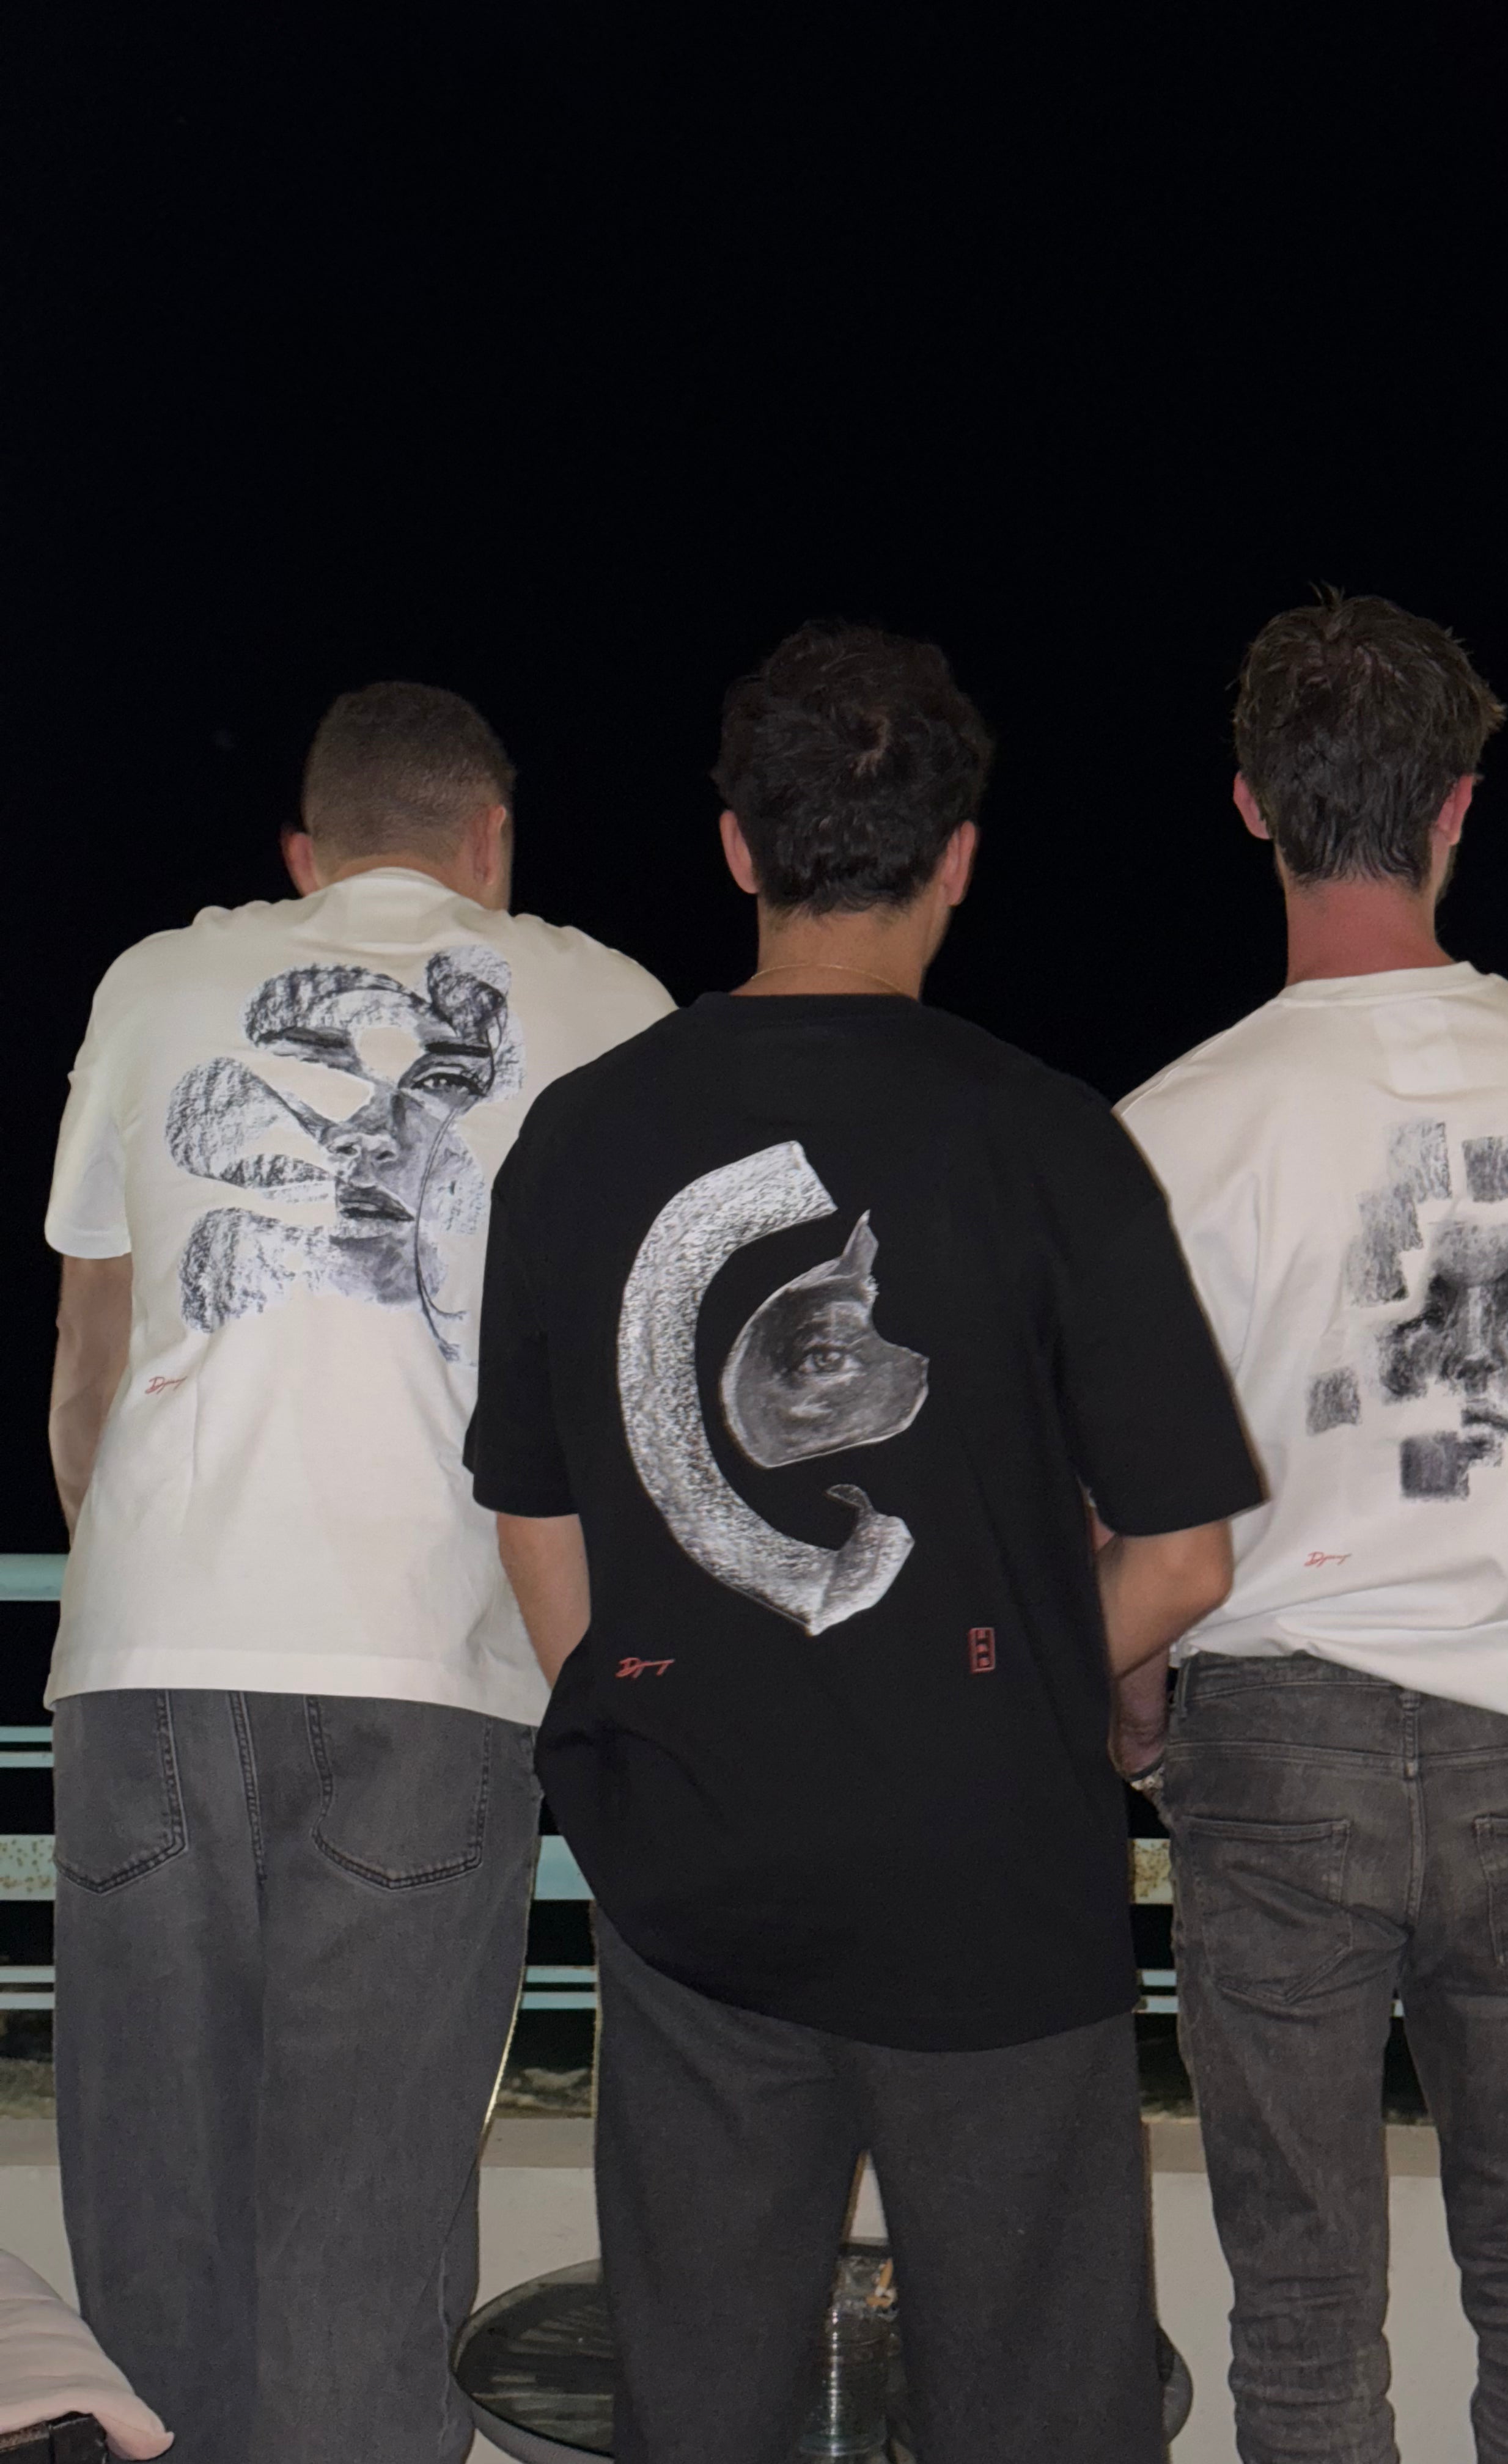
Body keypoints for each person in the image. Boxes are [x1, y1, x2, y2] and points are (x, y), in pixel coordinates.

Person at [469, 620, 1260, 2464]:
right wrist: (1003, 1686)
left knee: (700, 2406)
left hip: (697, 1873)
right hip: (993, 1885)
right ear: (961, 860)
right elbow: (1186, 1560)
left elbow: (535, 1514)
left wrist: (644, 1736)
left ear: (735, 847)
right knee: (1039, 2409)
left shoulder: (580, 1138)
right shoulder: (1050, 1140)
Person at [45, 681, 673, 2464]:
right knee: (366, 2242)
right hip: (430, 1665)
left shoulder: (154, 983)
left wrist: (145, 1581)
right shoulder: (610, 1005)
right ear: (494, 842)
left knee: (153, 2236)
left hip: (147, 1664)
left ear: (304, 857)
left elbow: (87, 1378)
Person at [1119, 593, 1508, 2464]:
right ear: (1457, 807)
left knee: (1305, 2315)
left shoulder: (1176, 1132)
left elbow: (1131, 1513)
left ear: (1251, 805)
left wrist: (1135, 1713)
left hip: (1277, 1758)